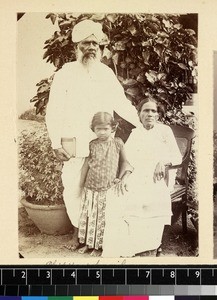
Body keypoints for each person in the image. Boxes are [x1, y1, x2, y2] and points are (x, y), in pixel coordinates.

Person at [45, 19, 139, 250]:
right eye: (85, 43)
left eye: (95, 44)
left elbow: (122, 104)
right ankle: (78, 234)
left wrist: (141, 125)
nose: (91, 48)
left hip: (103, 142)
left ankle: (99, 236)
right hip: (73, 141)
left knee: (104, 190)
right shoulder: (65, 73)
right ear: (76, 47)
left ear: (101, 48)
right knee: (73, 186)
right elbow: (54, 109)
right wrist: (56, 142)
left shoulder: (106, 73)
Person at [102, 97, 182, 257]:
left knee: (148, 198)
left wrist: (163, 162)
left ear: (158, 114)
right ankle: (127, 246)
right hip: (137, 174)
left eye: (153, 111)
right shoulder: (136, 133)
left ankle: (151, 245)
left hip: (159, 176)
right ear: (139, 114)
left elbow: (177, 157)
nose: (150, 114)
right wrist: (124, 177)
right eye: (146, 110)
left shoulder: (165, 131)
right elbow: (129, 162)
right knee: (116, 194)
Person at [77, 112, 133, 256]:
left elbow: (124, 162)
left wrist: (120, 178)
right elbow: (85, 165)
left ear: (113, 128)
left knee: (102, 218)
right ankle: (87, 244)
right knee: (89, 215)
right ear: (93, 129)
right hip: (91, 186)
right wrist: (81, 184)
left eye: (105, 129)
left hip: (107, 188)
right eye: (98, 129)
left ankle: (98, 247)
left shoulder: (117, 143)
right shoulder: (92, 145)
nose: (102, 132)